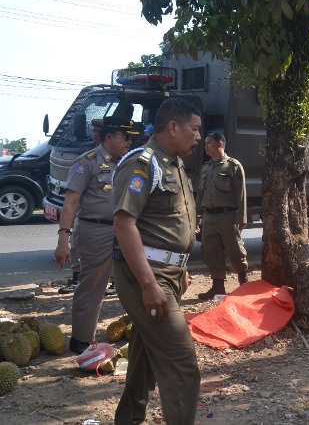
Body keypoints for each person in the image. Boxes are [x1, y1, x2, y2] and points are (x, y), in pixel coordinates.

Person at [111, 98, 202, 424]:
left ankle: (128, 419)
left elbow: (167, 225)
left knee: (144, 356)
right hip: (145, 276)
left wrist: (182, 265)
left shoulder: (174, 164)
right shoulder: (143, 164)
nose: (198, 137)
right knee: (182, 365)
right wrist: (149, 283)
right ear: (173, 127)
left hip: (168, 273)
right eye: (194, 129)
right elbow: (124, 223)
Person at [53, 117, 135, 353]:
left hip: (125, 230)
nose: (130, 141)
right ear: (109, 137)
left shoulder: (128, 163)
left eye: (130, 137)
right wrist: (63, 240)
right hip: (96, 231)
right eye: (124, 136)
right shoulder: (87, 162)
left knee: (136, 280)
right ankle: (81, 341)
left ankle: (140, 333)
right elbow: (71, 203)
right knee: (91, 286)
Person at [195, 132, 249, 300]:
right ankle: (218, 287)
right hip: (209, 216)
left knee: (235, 250)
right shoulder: (206, 167)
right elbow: (200, 194)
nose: (205, 147)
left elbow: (241, 193)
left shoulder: (233, 166)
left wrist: (242, 217)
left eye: (208, 143)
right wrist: (197, 216)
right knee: (211, 251)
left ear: (220, 144)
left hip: (228, 216)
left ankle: (244, 283)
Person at [58, 118, 108, 295]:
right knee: (77, 246)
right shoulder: (88, 159)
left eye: (98, 131)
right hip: (87, 217)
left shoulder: (123, 161)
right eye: (93, 131)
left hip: (111, 223)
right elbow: (71, 200)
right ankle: (77, 279)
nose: (95, 134)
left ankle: (115, 283)